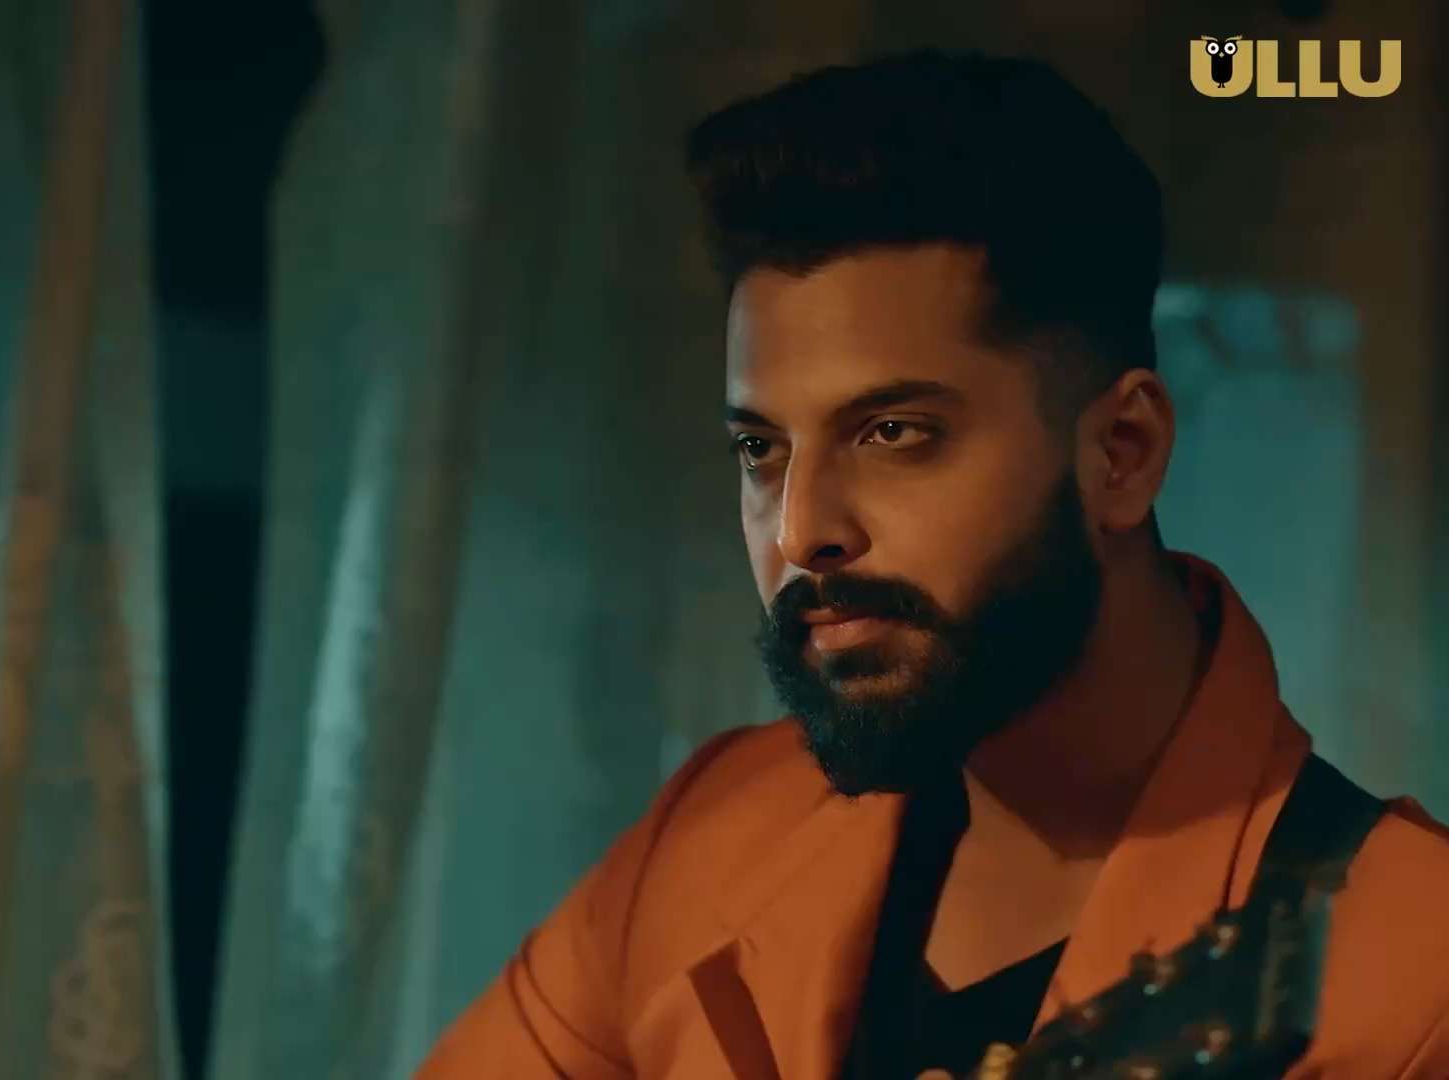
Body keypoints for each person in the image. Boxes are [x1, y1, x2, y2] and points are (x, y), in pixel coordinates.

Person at [417, 50, 1449, 1079]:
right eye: (761, 449)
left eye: (892, 432)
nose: (800, 532)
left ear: (1122, 453)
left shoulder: (1418, 979)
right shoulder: (711, 831)